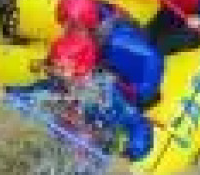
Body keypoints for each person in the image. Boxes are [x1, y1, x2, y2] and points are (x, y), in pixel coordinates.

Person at [44, 31, 153, 165]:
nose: (54, 71)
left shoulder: (103, 93)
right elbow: (35, 93)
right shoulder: (57, 84)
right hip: (66, 140)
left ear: (80, 69)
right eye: (53, 65)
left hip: (91, 151)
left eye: (61, 68)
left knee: (83, 136)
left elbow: (138, 125)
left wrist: (129, 155)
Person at [55, 0, 165, 110]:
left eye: (72, 27)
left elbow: (153, 58)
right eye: (66, 26)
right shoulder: (97, 15)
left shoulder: (116, 42)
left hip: (136, 88)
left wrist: (139, 95)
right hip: (117, 64)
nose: (67, 31)